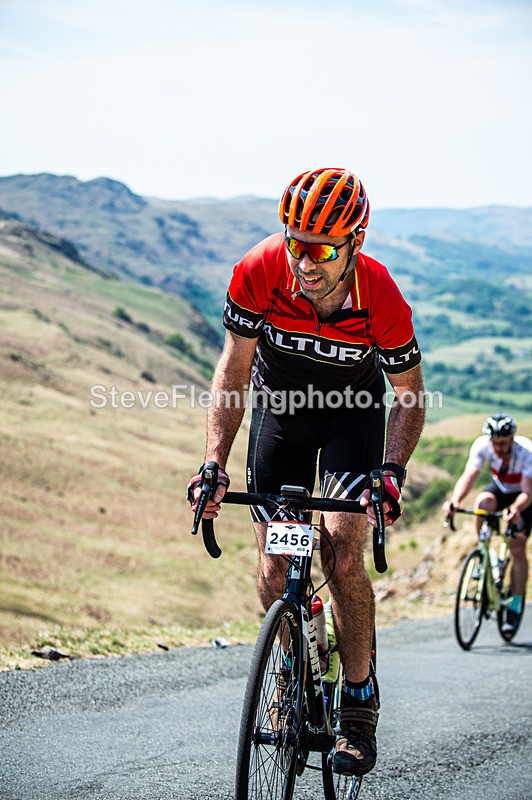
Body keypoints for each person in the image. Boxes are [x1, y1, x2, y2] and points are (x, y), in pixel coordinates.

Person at [188, 167, 425, 776]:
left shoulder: (381, 295)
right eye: (296, 244)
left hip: (352, 418)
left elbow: (409, 396)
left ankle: (359, 700)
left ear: (356, 242)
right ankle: (295, 669)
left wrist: (391, 471)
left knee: (341, 558)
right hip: (282, 415)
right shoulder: (260, 269)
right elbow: (233, 371)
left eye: (322, 250)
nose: (304, 262)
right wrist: (214, 461)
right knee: (275, 566)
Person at [443, 413, 532, 633]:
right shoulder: (482, 445)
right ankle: (483, 553)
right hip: (501, 488)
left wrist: (515, 509)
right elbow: (470, 475)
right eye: (494, 443)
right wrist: (455, 501)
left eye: (502, 443)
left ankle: (515, 603)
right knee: (482, 503)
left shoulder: (526, 452)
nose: (497, 448)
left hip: (523, 496)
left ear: (512, 439)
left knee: (517, 545)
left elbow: (527, 492)